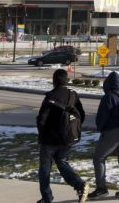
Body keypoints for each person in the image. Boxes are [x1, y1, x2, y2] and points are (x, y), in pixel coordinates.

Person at [36, 68, 90, 203]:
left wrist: (41, 134)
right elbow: (81, 115)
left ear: (54, 81)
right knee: (62, 162)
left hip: (49, 140)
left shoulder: (50, 96)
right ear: (66, 80)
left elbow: (42, 119)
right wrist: (72, 129)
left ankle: (47, 197)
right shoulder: (73, 95)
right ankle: (80, 184)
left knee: (45, 168)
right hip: (67, 139)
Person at [89, 71, 119, 199]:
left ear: (107, 84)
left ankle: (101, 188)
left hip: (113, 131)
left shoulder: (108, 97)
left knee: (99, 157)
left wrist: (101, 129)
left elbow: (102, 118)